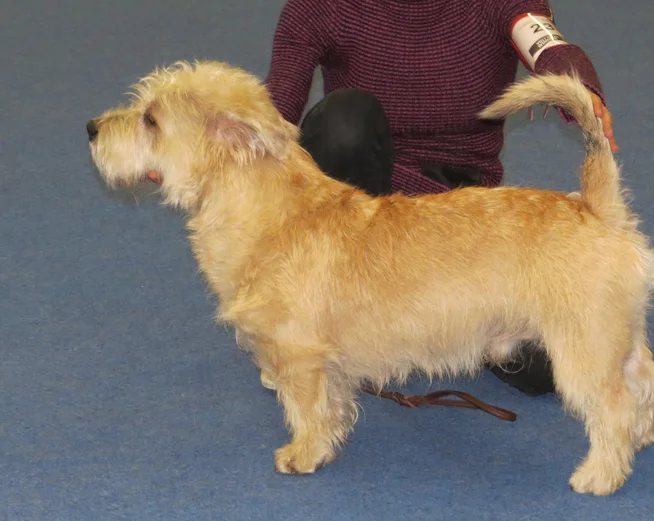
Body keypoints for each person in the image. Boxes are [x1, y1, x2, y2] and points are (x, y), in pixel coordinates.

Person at [264, 0, 618, 397]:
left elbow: (547, 46)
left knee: (545, 369)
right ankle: (325, 317)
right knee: (343, 122)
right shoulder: (322, 6)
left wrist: (581, 87)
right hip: (363, 197)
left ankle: (436, 315)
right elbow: (276, 116)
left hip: (456, 206)